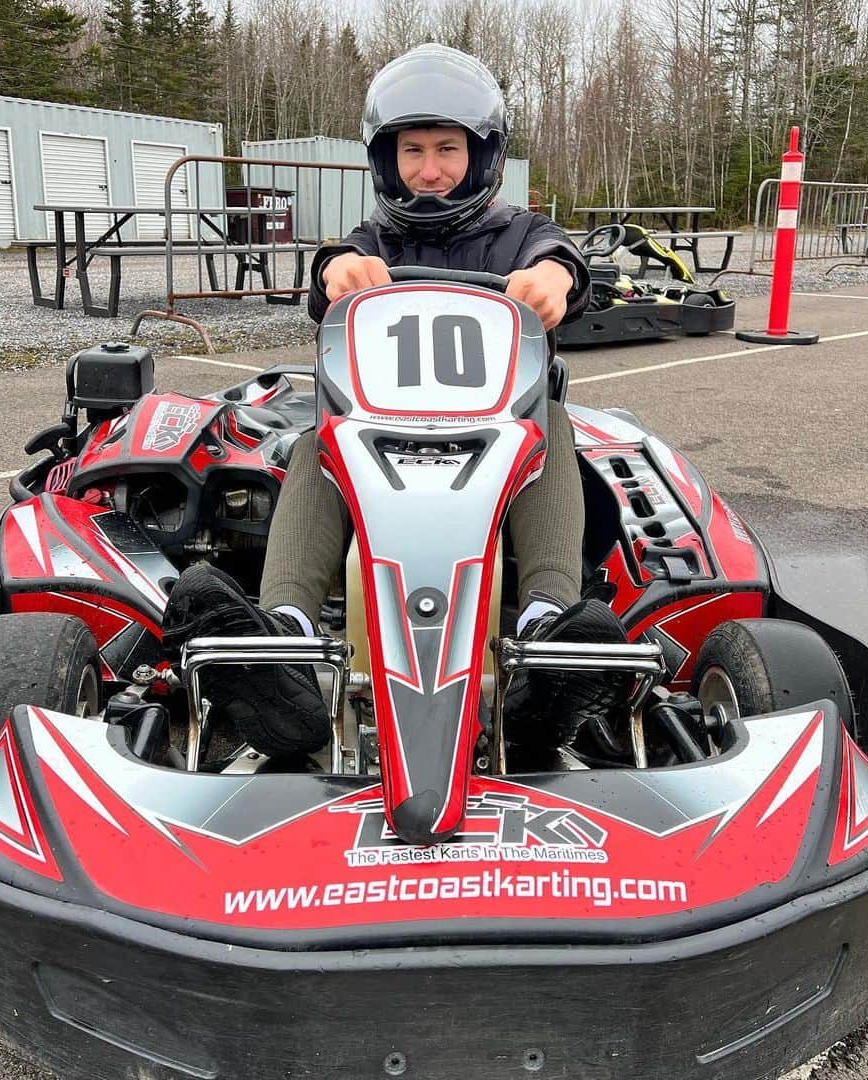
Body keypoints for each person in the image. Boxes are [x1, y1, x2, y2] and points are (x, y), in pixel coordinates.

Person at [162, 44, 630, 759]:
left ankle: (545, 626)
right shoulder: (371, 241)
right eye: (413, 150)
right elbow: (331, 273)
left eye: (448, 148)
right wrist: (339, 271)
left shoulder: (522, 234)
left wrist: (552, 282)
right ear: (387, 159)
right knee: (324, 435)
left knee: (553, 423)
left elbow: (562, 260)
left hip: (498, 442)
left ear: (483, 156)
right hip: (380, 441)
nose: (431, 168)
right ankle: (283, 635)